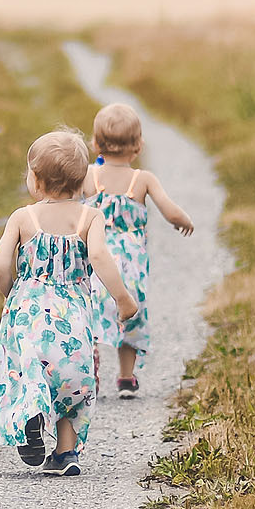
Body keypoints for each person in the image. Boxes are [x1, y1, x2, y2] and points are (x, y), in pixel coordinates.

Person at [0, 128, 139, 477]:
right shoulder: (90, 217)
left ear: (36, 180)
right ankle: (65, 453)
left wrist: (12, 293)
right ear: (82, 179)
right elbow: (99, 257)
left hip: (27, 312)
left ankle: (31, 418)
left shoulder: (22, 218)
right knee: (69, 379)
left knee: (29, 372)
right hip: (73, 314)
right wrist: (122, 298)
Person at [82, 101, 196, 398]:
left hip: (96, 261)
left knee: (90, 316)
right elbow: (169, 210)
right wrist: (183, 220)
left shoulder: (89, 177)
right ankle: (125, 377)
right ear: (138, 146)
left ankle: (89, 368)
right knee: (129, 316)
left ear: (95, 144)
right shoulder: (142, 179)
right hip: (131, 266)